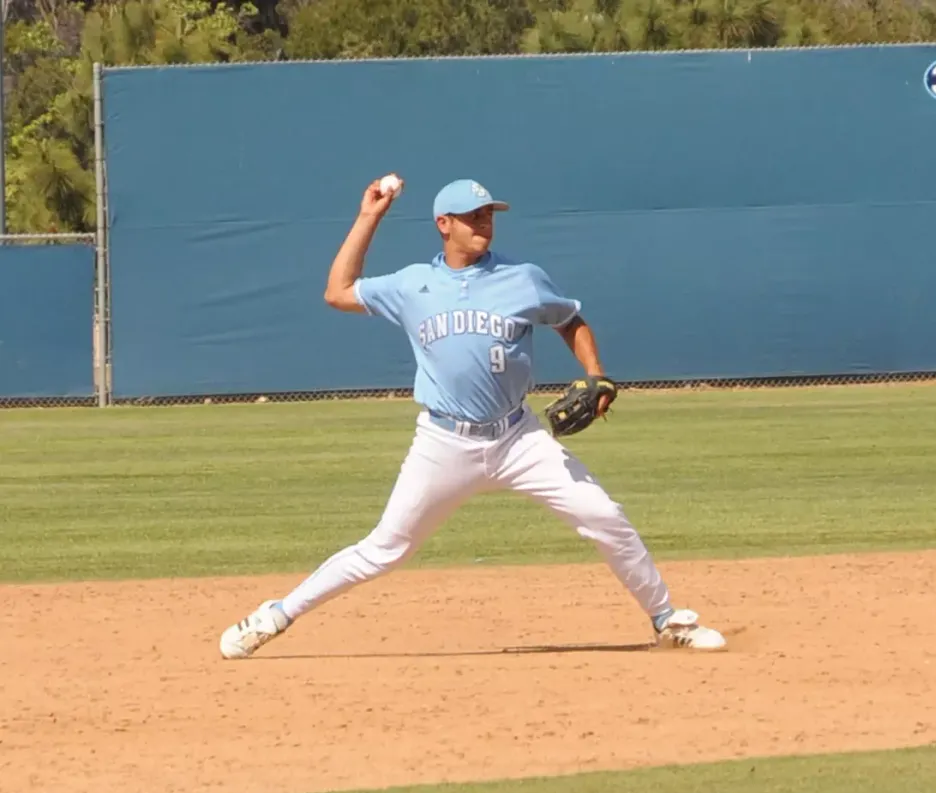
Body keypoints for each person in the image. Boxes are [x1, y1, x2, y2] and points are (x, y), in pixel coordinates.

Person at [218, 176, 726, 658]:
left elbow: (569, 319)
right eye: (471, 216)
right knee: (384, 549)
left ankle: (668, 620)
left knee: (603, 515)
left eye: (488, 215)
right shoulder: (412, 284)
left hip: (518, 437)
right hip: (444, 443)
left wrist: (596, 373)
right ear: (444, 224)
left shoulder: (523, 278)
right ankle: (275, 615)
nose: (483, 224)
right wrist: (368, 216)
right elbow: (337, 291)